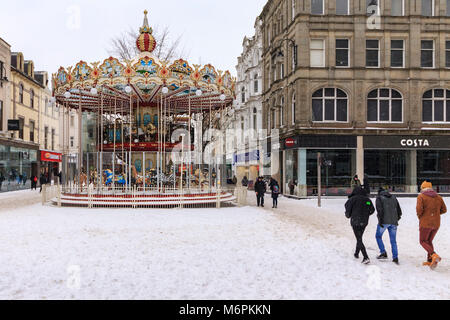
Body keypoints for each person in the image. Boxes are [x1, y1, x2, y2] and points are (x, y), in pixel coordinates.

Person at [416, 181, 447, 269]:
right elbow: (444, 210)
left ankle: (433, 255)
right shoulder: (439, 197)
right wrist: (435, 214)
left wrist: (422, 217)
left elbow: (419, 210)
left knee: (422, 241)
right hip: (436, 223)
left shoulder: (421, 197)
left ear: (422, 188)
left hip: (425, 223)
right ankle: (430, 260)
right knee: (429, 241)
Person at [345, 186, 375, 264]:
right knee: (359, 237)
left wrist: (349, 215)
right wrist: (366, 214)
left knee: (359, 238)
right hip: (364, 222)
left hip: (355, 221)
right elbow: (372, 210)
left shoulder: (352, 199)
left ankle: (365, 257)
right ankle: (356, 253)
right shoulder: (367, 200)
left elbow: (347, 210)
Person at [375, 187, 402, 264]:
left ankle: (383, 252)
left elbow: (379, 210)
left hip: (384, 222)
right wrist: (396, 219)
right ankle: (395, 257)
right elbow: (399, 211)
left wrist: (380, 221)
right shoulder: (394, 197)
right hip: (394, 222)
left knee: (378, 236)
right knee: (393, 241)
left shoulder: (379, 198)